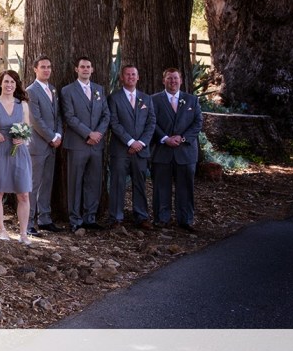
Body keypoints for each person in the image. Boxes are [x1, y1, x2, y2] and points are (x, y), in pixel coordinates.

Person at [60, 56, 110, 232]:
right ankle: (75, 219)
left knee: (93, 181)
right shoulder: (67, 91)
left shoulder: (99, 89)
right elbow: (69, 116)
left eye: (88, 67)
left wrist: (98, 134)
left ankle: (90, 217)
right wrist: (88, 133)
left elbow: (106, 115)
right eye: (82, 67)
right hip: (77, 143)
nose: (86, 69)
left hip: (96, 144)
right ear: (77, 69)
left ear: (92, 69)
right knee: (75, 182)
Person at [151, 67, 203, 231]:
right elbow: (151, 122)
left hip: (185, 151)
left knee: (185, 187)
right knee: (161, 187)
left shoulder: (192, 100)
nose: (173, 81)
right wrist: (165, 138)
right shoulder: (154, 100)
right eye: (169, 78)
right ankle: (162, 218)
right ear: (163, 80)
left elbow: (198, 122)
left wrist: (183, 138)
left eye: (175, 78)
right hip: (162, 151)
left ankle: (185, 220)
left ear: (181, 80)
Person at [0, 69, 32, 244]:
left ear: (16, 85)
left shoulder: (23, 105)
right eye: (6, 81)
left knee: (24, 194)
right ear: (0, 84)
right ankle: (2, 230)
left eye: (12, 82)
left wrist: (23, 138)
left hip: (19, 151)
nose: (9, 85)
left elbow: (28, 128)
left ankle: (24, 233)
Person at [107, 65, 156, 231]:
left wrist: (141, 143)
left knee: (140, 183)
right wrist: (130, 142)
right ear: (122, 77)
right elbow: (114, 122)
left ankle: (141, 216)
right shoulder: (114, 98)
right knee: (117, 183)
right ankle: (116, 218)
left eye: (133, 74)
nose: (131, 77)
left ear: (138, 77)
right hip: (120, 150)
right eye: (127, 74)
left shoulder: (146, 99)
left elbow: (151, 123)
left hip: (141, 150)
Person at [25, 56, 63, 234]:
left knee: (47, 182)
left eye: (49, 67)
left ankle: (45, 219)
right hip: (38, 145)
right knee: (33, 184)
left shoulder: (53, 89)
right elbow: (35, 119)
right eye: (43, 67)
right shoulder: (31, 91)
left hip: (52, 144)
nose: (46, 70)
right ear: (35, 69)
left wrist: (59, 135)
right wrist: (51, 137)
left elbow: (58, 116)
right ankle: (28, 222)